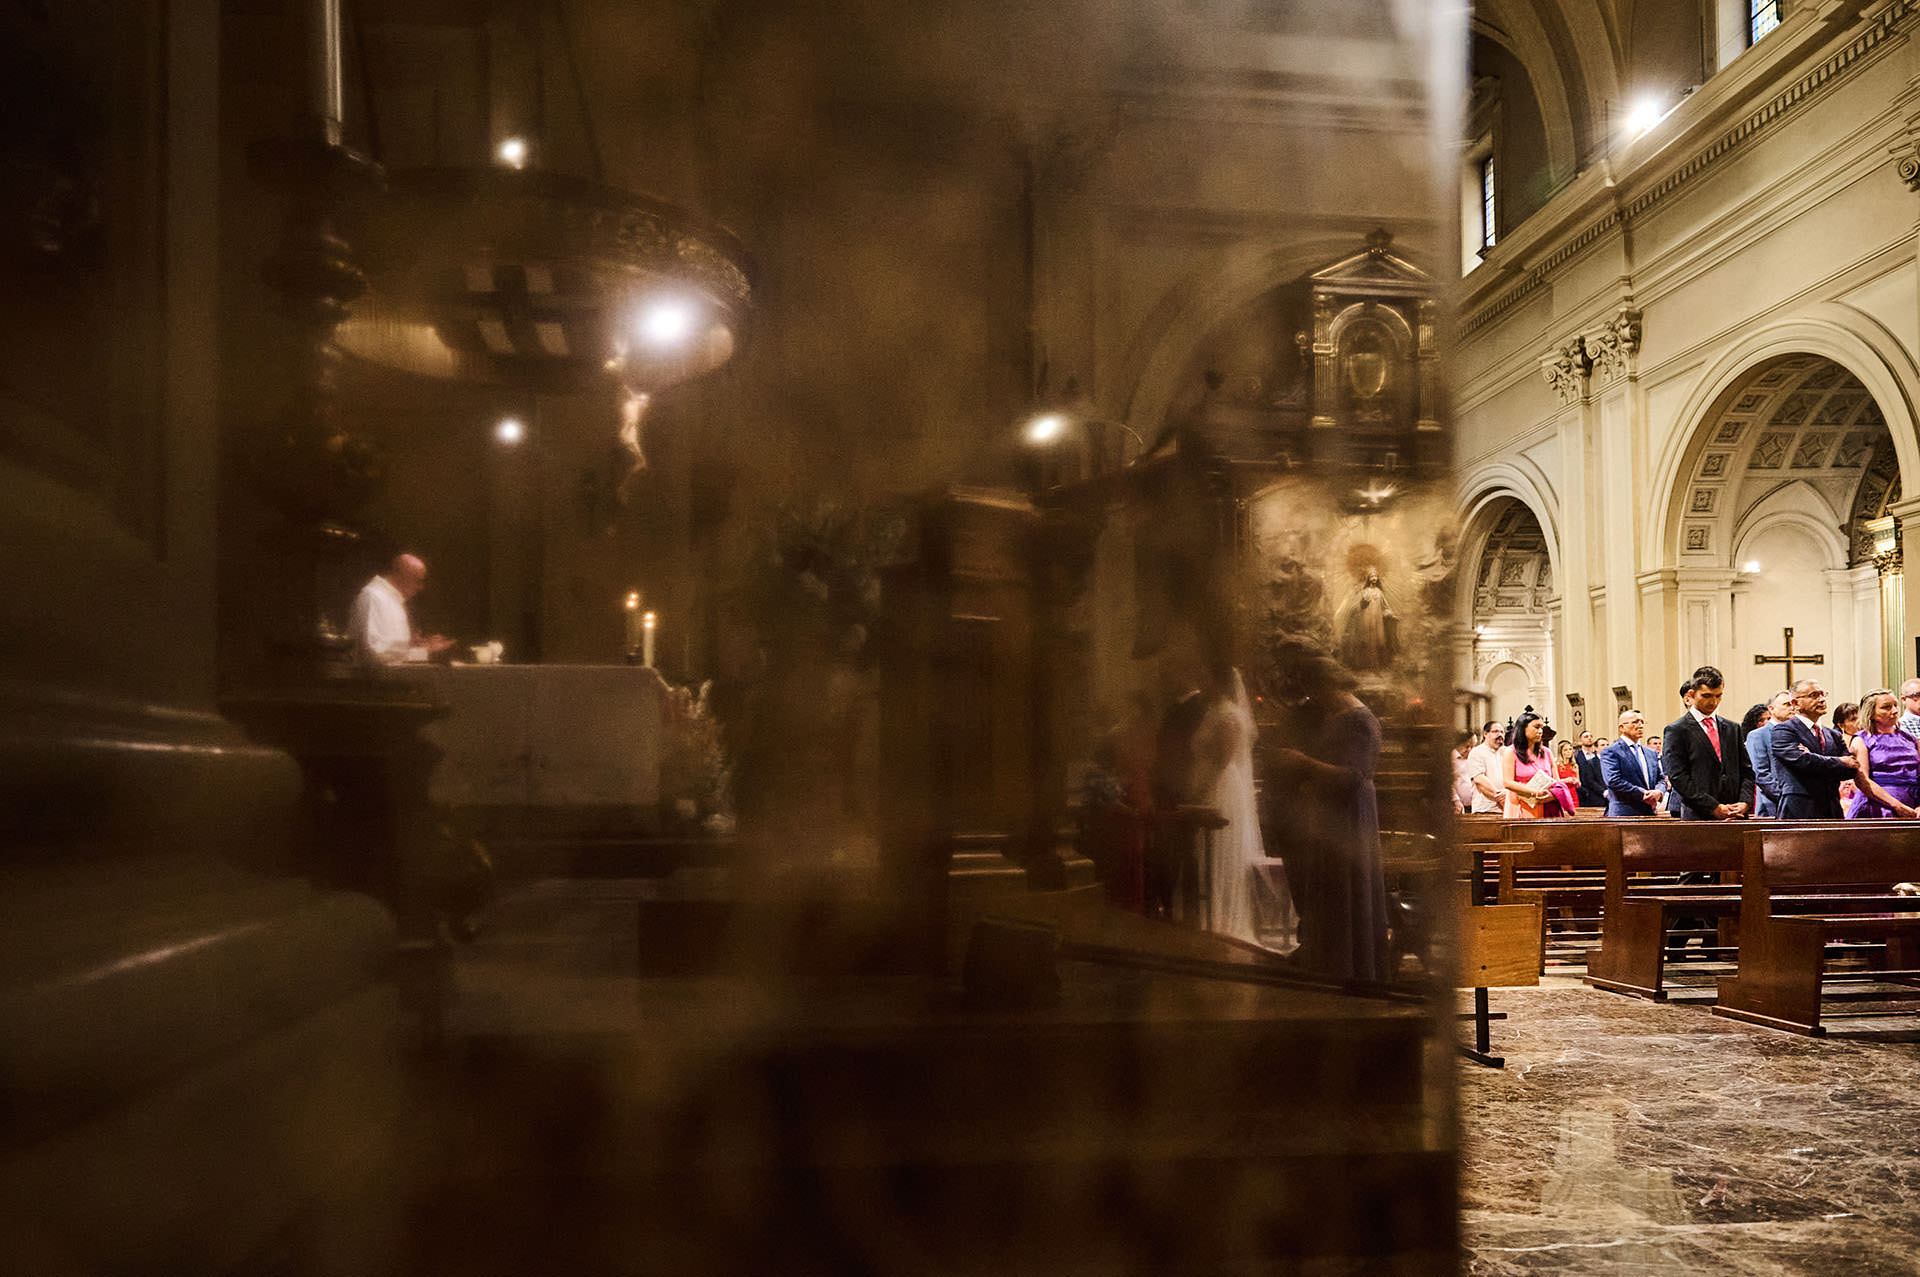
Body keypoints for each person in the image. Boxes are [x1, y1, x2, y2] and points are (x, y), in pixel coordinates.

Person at [1267, 648, 1389, 981]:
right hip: (1331, 815)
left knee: (1346, 891)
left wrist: (1301, 763)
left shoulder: (1360, 720)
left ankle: (1351, 968)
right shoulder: (1337, 717)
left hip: (1351, 815)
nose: (1313, 699)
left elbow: (1352, 777)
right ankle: (1328, 965)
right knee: (1329, 893)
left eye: (1316, 691)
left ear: (1328, 686)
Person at [1189, 662, 1296, 949]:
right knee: (1205, 854)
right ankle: (1209, 918)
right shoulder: (1213, 711)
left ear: (1219, 682)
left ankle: (1224, 921)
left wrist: (1200, 788)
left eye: (1205, 677)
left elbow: (1222, 759)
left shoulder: (1229, 715)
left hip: (1221, 785)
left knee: (1221, 852)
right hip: (1211, 782)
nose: (1201, 682)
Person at [1661, 667, 1752, 820]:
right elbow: (1678, 777)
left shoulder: (1732, 728)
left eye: (1718, 696)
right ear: (1691, 694)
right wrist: (1713, 807)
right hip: (1698, 814)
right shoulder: (1677, 730)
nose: (1713, 702)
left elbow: (1747, 770)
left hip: (1735, 812)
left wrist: (1745, 801)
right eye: (1707, 696)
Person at [349, 553, 454, 667]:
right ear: (402, 575)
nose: (420, 587)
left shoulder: (392, 599)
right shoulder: (373, 596)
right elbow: (374, 654)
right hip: (375, 683)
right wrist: (425, 650)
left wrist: (414, 645)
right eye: (418, 581)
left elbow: (392, 650)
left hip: (394, 681)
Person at [1770, 678, 1855, 819]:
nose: (1821, 699)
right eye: (1814, 695)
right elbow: (1802, 761)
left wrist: (1815, 759)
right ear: (1795, 703)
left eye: (1823, 694)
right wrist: (1840, 762)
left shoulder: (1833, 735)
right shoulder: (1784, 730)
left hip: (1831, 809)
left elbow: (1850, 769)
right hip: (1799, 808)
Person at [1846, 689, 1920, 819]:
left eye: (1895, 705)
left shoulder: (1910, 739)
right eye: (1886, 707)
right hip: (1877, 807)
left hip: (1913, 804)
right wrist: (1897, 806)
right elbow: (1863, 781)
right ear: (1871, 713)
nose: (1895, 711)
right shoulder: (1861, 740)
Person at [1601, 709, 1667, 816]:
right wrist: (1643, 794)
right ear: (1622, 727)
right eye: (1635, 722)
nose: (1640, 725)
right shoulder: (1611, 751)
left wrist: (1658, 792)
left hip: (1649, 811)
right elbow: (1613, 780)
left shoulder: (1650, 753)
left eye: (1642, 722)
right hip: (1624, 812)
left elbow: (1661, 778)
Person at [1745, 690, 1794, 818]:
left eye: (1793, 704)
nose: (1792, 708)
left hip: (1798, 806)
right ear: (1771, 709)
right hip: (1772, 806)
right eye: (1786, 704)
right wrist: (1786, 798)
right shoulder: (1758, 735)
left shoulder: (1797, 734)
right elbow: (1760, 773)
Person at [1500, 711, 1557, 819]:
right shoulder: (1510, 752)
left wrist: (1551, 796)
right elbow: (1507, 782)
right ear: (1523, 728)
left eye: (1541, 728)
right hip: (1519, 804)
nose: (1540, 731)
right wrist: (1535, 792)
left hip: (1545, 804)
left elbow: (1557, 783)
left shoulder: (1547, 752)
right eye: (1536, 727)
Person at [1463, 721, 1505, 815]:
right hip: (1485, 809)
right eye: (1495, 731)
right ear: (1485, 734)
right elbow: (1479, 780)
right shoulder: (1477, 752)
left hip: (1505, 809)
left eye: (1502, 732)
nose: (1500, 735)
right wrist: (1501, 799)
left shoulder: (1506, 752)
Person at [1573, 730, 1606, 808]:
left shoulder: (1597, 755)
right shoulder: (1576, 757)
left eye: (1591, 736)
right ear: (1580, 741)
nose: (1589, 738)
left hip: (1600, 794)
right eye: (1586, 737)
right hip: (1584, 794)